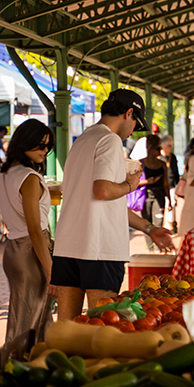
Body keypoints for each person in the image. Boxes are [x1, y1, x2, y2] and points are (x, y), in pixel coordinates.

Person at [51, 89, 173, 321]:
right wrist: (130, 185)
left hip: (68, 246)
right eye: (136, 125)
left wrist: (148, 228)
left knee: (66, 328)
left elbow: (107, 205)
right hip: (99, 248)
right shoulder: (110, 140)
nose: (132, 133)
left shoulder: (83, 139)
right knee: (101, 326)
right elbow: (104, 191)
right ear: (129, 113)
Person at [0, 120, 56, 342]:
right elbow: (35, 230)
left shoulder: (4, 175)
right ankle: (14, 367)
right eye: (40, 145)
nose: (45, 150)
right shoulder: (29, 178)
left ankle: (31, 367)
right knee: (28, 322)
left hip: (14, 249)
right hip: (31, 251)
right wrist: (51, 272)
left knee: (32, 318)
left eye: (48, 146)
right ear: (24, 144)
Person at [140, 134, 171, 250]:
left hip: (159, 196)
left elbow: (166, 184)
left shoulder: (162, 164)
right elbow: (134, 182)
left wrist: (170, 199)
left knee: (158, 223)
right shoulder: (141, 164)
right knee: (146, 225)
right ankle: (150, 250)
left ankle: (158, 249)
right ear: (150, 148)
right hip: (145, 197)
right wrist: (147, 182)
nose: (160, 150)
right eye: (157, 148)